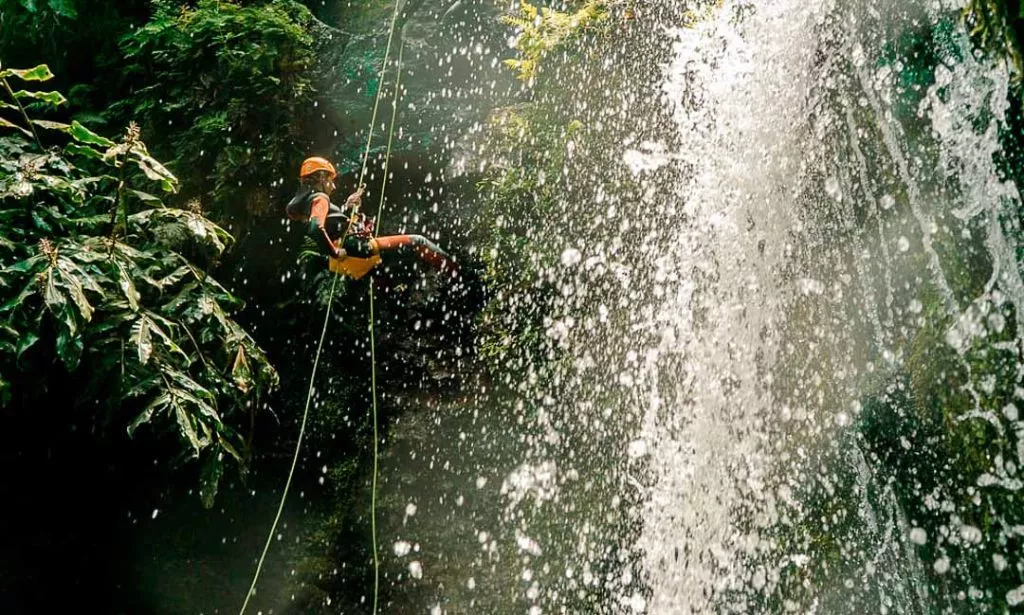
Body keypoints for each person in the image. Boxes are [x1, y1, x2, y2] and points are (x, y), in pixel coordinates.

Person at [285, 156, 457, 278]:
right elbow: (316, 227)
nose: (334, 187)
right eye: (331, 180)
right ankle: (458, 273)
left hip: (353, 251)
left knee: (398, 264)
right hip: (359, 247)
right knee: (418, 241)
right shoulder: (320, 198)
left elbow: (329, 224)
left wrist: (346, 206)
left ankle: (446, 275)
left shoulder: (307, 202)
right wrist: (335, 252)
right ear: (321, 177)